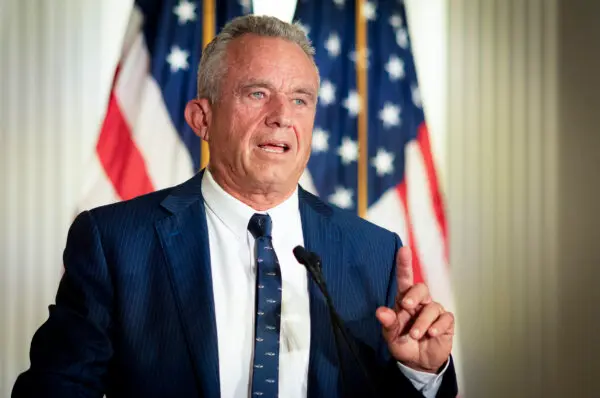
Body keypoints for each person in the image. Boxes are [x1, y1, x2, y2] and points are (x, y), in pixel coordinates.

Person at [12, 15, 457, 398]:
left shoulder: (373, 252)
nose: (282, 115)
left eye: (300, 99)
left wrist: (420, 374)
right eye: (257, 93)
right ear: (202, 119)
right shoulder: (115, 242)